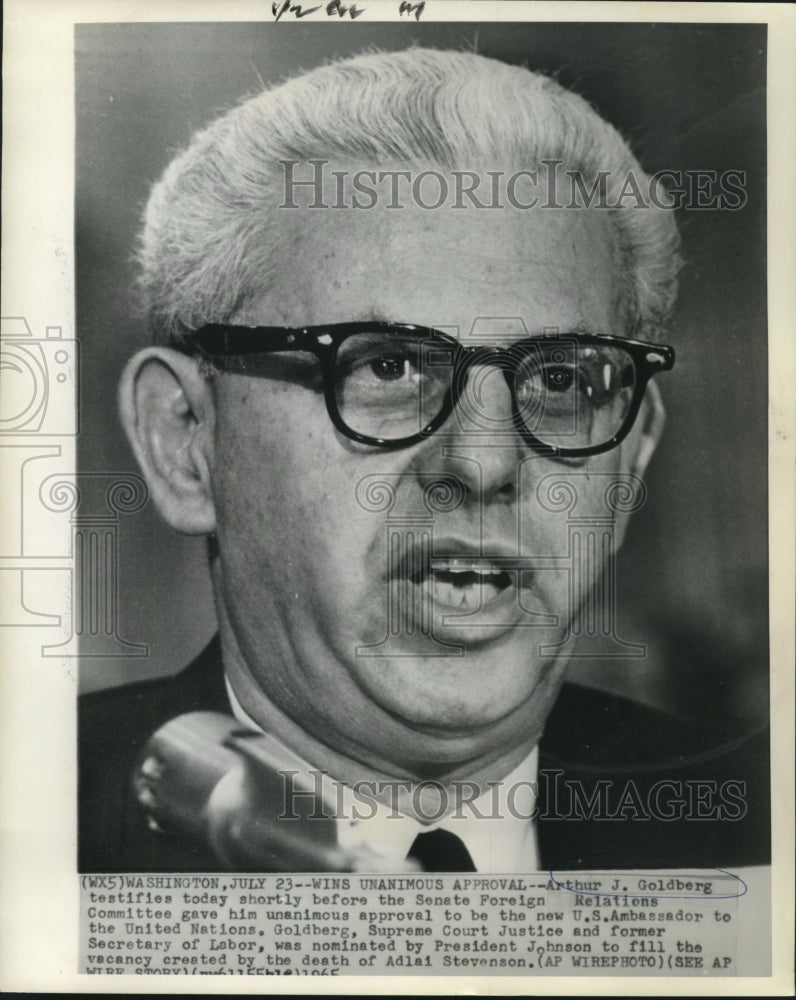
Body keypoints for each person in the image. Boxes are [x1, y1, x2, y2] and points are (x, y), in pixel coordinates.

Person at [79, 47, 769, 873]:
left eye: (558, 378)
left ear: (632, 464)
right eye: (386, 367)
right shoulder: (39, 833)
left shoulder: (764, 827)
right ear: (185, 441)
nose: (481, 463)